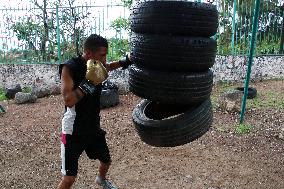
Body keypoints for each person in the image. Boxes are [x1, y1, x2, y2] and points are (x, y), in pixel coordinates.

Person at [57, 34, 132, 189]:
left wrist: (127, 60)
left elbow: (108, 67)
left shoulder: (96, 64)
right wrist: (89, 83)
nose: (104, 60)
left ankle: (101, 180)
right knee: (69, 178)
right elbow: (68, 100)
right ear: (89, 53)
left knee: (106, 160)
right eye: (102, 55)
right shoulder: (69, 68)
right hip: (73, 130)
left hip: (92, 126)